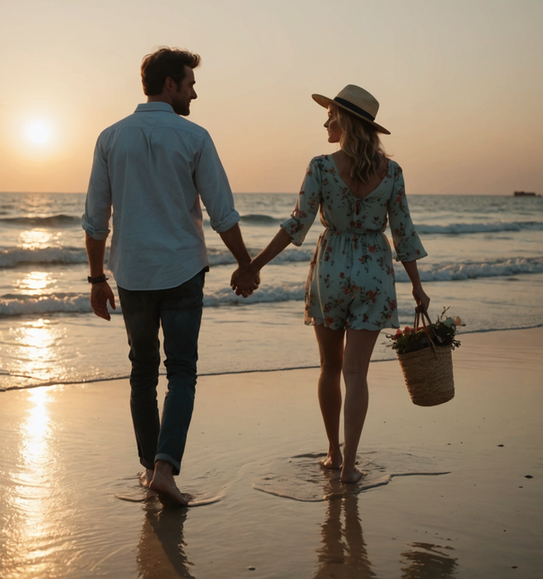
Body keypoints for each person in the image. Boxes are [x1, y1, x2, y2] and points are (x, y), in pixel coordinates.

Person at [83, 47, 258, 507]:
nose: (194, 92)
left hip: (133, 273)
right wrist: (245, 263)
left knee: (142, 372)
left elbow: (95, 220)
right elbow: (222, 212)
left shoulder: (110, 138)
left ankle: (149, 470)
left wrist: (97, 278)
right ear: (169, 85)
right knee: (181, 372)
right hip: (181, 270)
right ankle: (164, 468)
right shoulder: (194, 136)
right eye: (189, 83)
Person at [231, 84, 429, 483]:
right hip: (374, 268)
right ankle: (352, 466)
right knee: (356, 373)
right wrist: (417, 287)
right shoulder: (392, 172)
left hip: (331, 269)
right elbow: (404, 234)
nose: (325, 120)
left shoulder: (321, 166)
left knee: (329, 368)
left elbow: (296, 225)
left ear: (346, 121)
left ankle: (333, 454)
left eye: (331, 114)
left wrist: (254, 265)